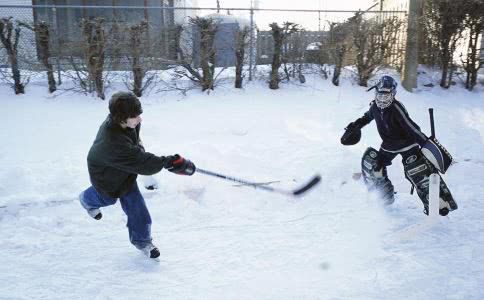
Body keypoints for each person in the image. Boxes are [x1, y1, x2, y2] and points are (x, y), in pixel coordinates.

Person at [79, 91, 196, 259]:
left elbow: (136, 151)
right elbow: (142, 163)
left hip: (124, 169)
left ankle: (143, 242)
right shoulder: (112, 141)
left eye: (139, 114)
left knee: (137, 209)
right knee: (108, 199)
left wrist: (145, 154)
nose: (140, 119)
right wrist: (170, 162)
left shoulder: (126, 122)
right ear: (121, 117)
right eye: (135, 116)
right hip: (105, 174)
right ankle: (85, 199)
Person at [341, 75, 457, 216]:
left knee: (418, 170)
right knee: (374, 166)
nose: (383, 99)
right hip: (388, 145)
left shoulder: (396, 109)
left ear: (393, 94)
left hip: (407, 143)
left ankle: (439, 202)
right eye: (380, 95)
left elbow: (411, 128)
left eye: (386, 96)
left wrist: (426, 144)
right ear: (376, 93)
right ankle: (385, 196)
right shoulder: (375, 108)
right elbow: (366, 117)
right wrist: (355, 126)